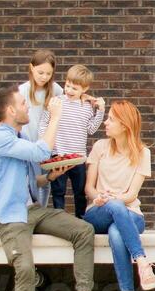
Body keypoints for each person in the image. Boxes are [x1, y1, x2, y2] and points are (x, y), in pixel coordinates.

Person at [0, 85, 112, 291]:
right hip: (9, 217)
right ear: (10, 110)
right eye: (22, 104)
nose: (28, 108)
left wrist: (51, 176)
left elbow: (34, 181)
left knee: (83, 231)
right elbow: (41, 150)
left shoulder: (15, 137)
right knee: (25, 270)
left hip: (32, 211)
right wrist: (56, 115)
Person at [83, 100, 155, 291]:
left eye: (111, 119)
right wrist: (99, 198)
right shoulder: (100, 148)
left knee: (117, 233)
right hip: (98, 211)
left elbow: (132, 194)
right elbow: (89, 189)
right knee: (114, 209)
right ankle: (142, 261)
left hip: (130, 213)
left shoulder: (143, 153)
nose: (106, 122)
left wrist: (115, 198)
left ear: (125, 125)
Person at [38, 63, 105, 218]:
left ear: (85, 89)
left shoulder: (87, 106)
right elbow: (44, 123)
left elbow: (91, 129)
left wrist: (100, 110)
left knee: (80, 192)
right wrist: (44, 142)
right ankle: (59, 219)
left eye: (74, 88)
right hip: (58, 155)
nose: (69, 90)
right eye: (67, 85)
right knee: (58, 191)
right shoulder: (56, 101)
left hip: (78, 158)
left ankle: (81, 218)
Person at [18, 48, 64, 207]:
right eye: (40, 72)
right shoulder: (22, 90)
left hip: (47, 146)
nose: (44, 77)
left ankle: (41, 211)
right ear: (31, 68)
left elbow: (72, 100)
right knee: (30, 181)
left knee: (45, 181)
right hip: (28, 146)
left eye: (48, 74)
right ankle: (29, 212)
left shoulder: (56, 90)